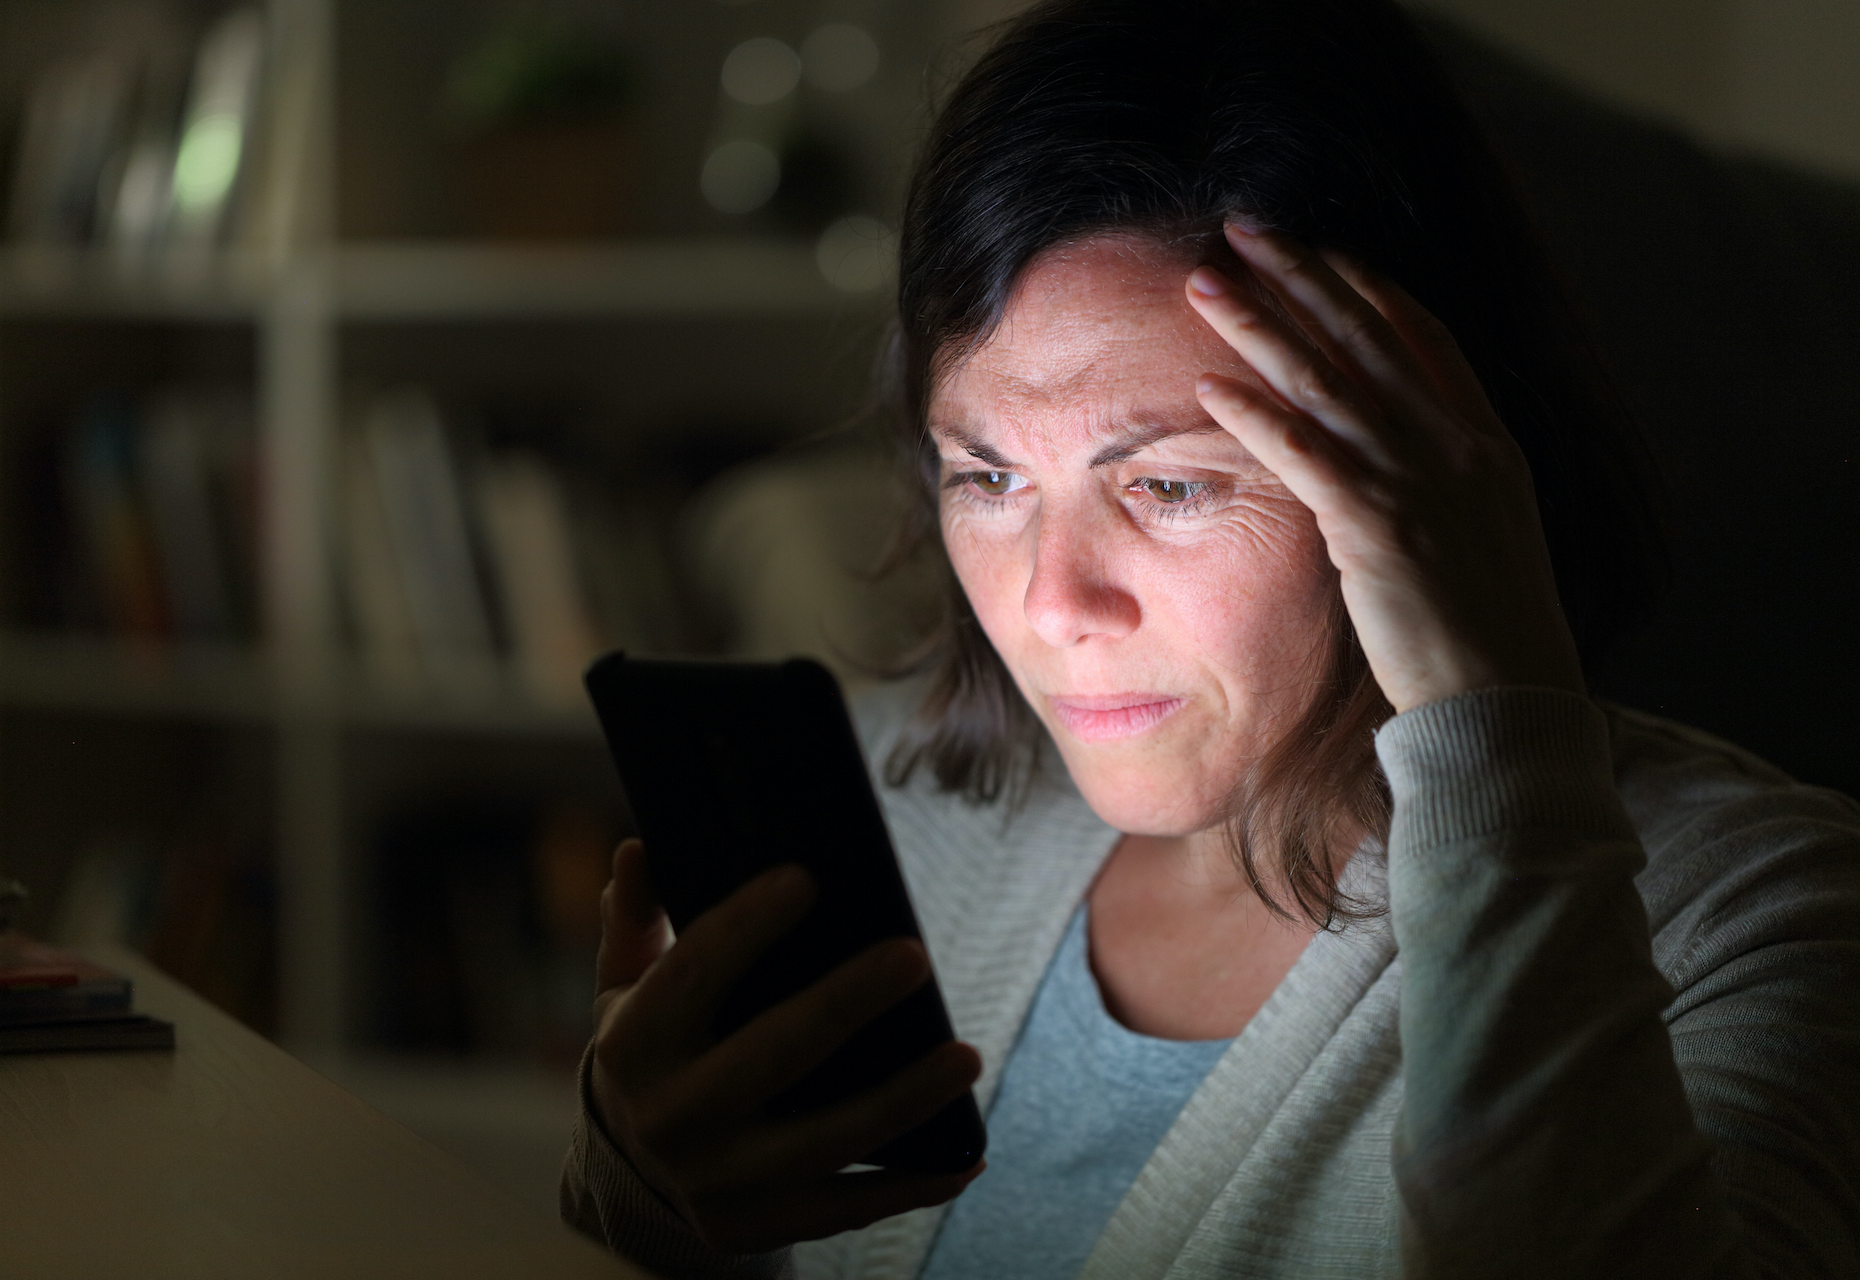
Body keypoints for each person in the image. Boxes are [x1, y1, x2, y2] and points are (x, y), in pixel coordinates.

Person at [563, 1, 1860, 1276]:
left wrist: (1495, 722)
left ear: (1444, 463)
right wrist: (644, 1208)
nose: (1052, 599)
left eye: (1171, 485)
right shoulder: (889, 811)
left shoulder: (1757, 917)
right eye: (986, 477)